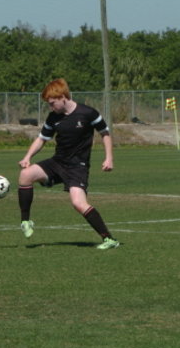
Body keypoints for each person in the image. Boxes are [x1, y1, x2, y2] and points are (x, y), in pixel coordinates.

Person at [17, 78, 119, 250]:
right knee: (25, 175)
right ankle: (26, 221)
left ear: (63, 97)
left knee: (78, 203)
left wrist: (109, 158)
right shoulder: (53, 117)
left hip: (77, 167)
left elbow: (105, 133)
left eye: (52, 103)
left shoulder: (88, 113)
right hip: (57, 162)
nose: (51, 107)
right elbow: (42, 139)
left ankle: (109, 239)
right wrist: (27, 157)